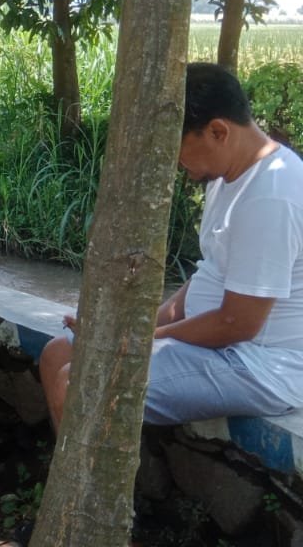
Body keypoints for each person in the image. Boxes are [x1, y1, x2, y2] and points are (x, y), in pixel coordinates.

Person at [40, 62, 303, 430]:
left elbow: (236, 324)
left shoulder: (272, 196)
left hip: (258, 365)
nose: (177, 164)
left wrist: (137, 340)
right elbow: (208, 277)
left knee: (80, 384)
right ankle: (75, 488)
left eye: (178, 149)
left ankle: (102, 490)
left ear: (217, 131)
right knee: (57, 355)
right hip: (223, 351)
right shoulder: (228, 179)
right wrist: (130, 327)